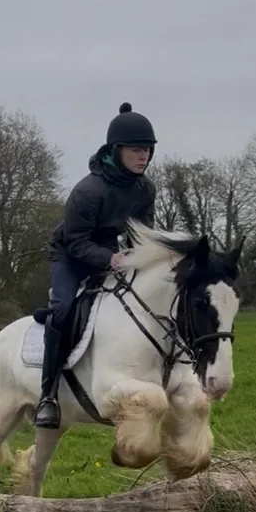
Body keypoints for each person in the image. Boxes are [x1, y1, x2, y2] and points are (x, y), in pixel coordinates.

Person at [33, 102, 157, 429]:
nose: (143, 156)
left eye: (147, 150)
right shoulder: (87, 191)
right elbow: (75, 241)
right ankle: (48, 397)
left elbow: (142, 234)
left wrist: (143, 260)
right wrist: (109, 258)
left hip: (111, 255)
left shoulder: (145, 188)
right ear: (117, 151)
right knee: (61, 311)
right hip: (71, 257)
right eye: (136, 150)